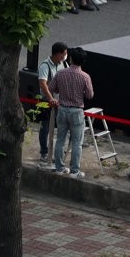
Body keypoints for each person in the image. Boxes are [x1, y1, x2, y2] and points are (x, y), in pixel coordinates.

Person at [49, 47, 94, 178]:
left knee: (60, 139)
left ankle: (59, 168)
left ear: (71, 58)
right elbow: (90, 95)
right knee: (76, 142)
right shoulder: (85, 77)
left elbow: (52, 88)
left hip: (62, 109)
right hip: (77, 111)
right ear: (83, 61)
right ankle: (75, 171)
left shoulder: (61, 73)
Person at [36, 42, 68, 168]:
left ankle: (54, 152)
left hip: (60, 102)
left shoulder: (63, 64)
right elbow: (43, 84)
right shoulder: (45, 65)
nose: (65, 56)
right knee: (45, 128)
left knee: (59, 128)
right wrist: (50, 99)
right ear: (58, 53)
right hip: (47, 101)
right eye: (64, 53)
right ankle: (44, 152)